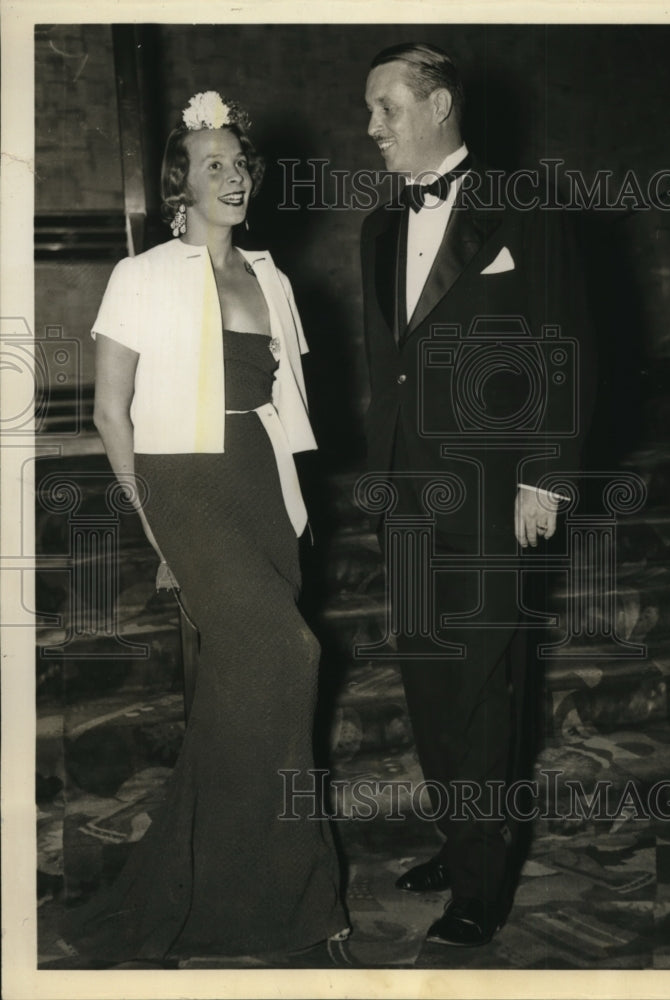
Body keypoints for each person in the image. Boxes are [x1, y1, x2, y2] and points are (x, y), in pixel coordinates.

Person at [62, 91, 349, 966]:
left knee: (240, 695)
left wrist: (295, 496)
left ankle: (196, 888)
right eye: (212, 164)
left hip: (260, 480)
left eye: (240, 164)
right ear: (177, 183)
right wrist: (156, 527)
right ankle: (301, 903)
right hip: (183, 482)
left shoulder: (270, 276)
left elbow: (285, 402)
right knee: (289, 656)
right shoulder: (139, 275)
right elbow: (113, 415)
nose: (233, 177)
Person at [360, 44, 596, 945]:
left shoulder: (525, 205)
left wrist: (544, 474)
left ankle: (483, 882)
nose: (371, 126)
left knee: (486, 684)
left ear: (440, 105)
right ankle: (464, 841)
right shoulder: (380, 227)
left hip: (497, 493)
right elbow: (390, 367)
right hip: (409, 496)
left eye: (386, 107)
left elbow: (564, 345)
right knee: (428, 678)